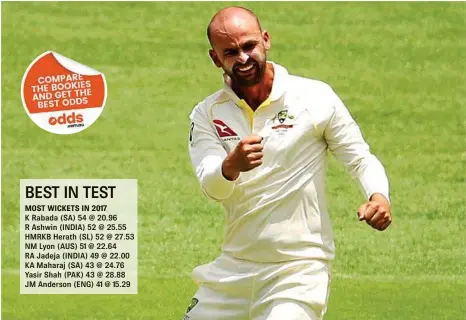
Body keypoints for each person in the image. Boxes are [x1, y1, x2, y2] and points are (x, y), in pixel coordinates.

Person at [185, 6, 392, 320]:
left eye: (249, 46)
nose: (242, 58)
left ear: (266, 40)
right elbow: (213, 188)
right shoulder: (207, 114)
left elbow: (360, 159)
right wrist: (232, 165)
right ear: (215, 58)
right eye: (230, 52)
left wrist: (378, 196)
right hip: (233, 270)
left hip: (298, 271)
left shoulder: (314, 98)